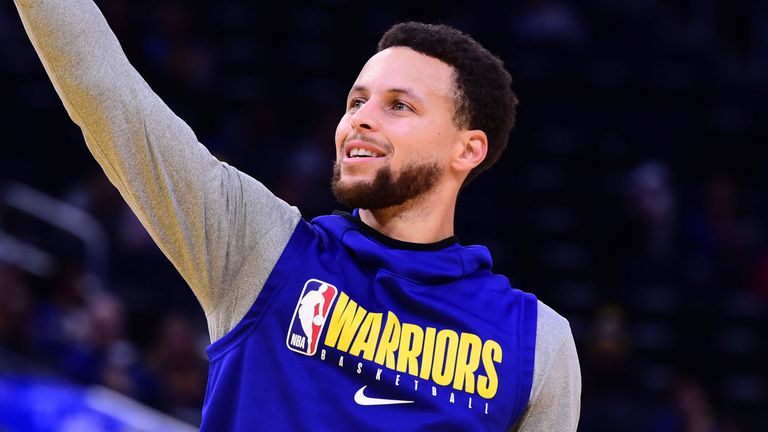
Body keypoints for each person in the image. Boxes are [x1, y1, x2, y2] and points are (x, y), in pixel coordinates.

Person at [12, 0, 581, 430]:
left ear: (467, 149)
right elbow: (107, 95)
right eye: (356, 101)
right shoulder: (260, 251)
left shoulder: (536, 344)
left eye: (398, 105)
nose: (359, 119)